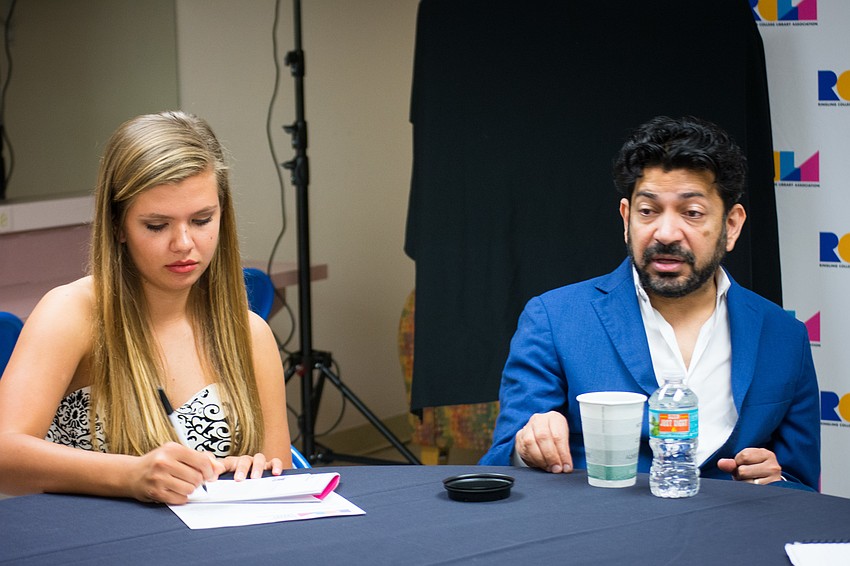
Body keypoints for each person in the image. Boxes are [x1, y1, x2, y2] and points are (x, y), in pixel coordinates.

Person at [479, 116, 820, 491]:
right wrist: (529, 446)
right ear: (627, 219)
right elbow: (501, 466)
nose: (666, 233)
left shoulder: (784, 336)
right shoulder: (556, 319)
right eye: (648, 211)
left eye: (692, 213)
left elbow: (801, 482)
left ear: (732, 226)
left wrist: (778, 479)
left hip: (733, 540)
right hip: (603, 538)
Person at [0, 111, 292, 504]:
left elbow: (281, 479)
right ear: (118, 225)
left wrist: (255, 471)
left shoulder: (250, 334)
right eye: (157, 226)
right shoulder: (72, 314)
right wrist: (129, 475)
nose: (184, 243)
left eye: (202, 219)